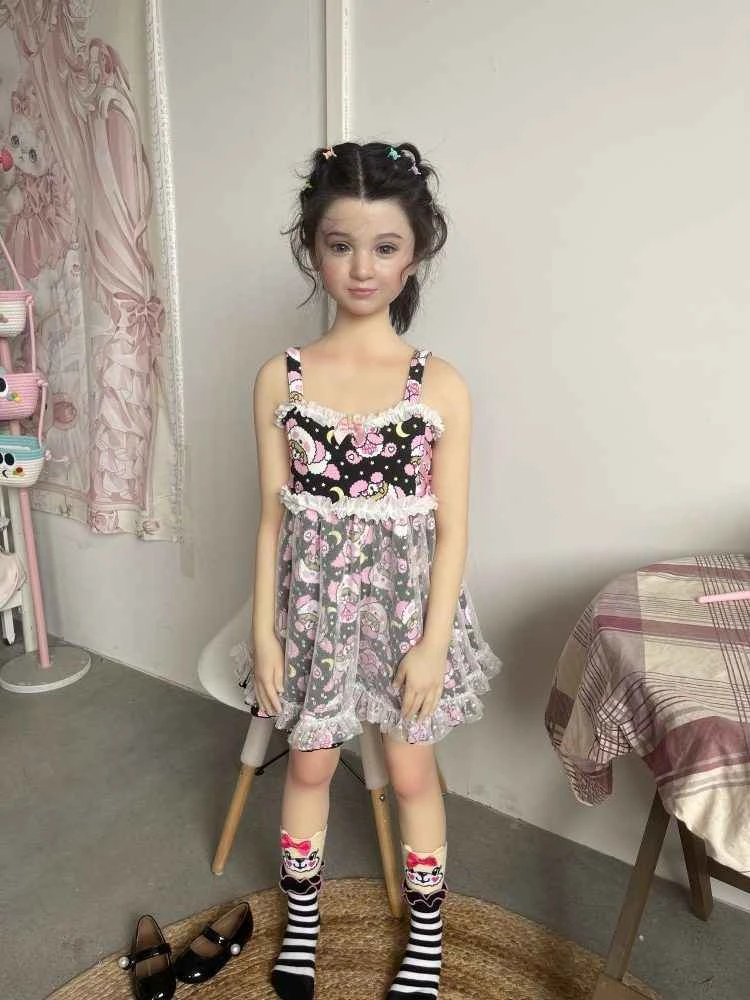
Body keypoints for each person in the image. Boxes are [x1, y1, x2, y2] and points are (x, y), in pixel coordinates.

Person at [236, 140, 501, 1000]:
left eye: (384, 247)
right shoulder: (281, 378)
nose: (361, 267)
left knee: (413, 772)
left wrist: (432, 645)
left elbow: (453, 530)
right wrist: (263, 633)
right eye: (341, 244)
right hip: (312, 615)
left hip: (404, 619)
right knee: (310, 766)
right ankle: (302, 923)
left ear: (414, 254)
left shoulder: (439, 384)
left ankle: (426, 935)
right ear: (313, 249)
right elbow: (272, 518)